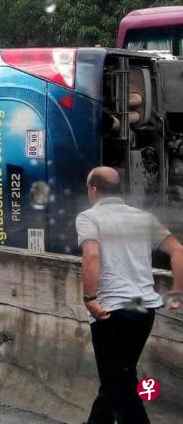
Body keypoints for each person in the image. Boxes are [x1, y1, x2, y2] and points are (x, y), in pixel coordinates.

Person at [77, 166, 182, 424]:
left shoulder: (89, 217)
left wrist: (90, 299)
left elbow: (91, 255)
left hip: (111, 311)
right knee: (118, 379)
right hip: (144, 311)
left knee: (119, 386)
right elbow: (177, 250)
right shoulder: (142, 218)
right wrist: (178, 290)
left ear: (93, 190)